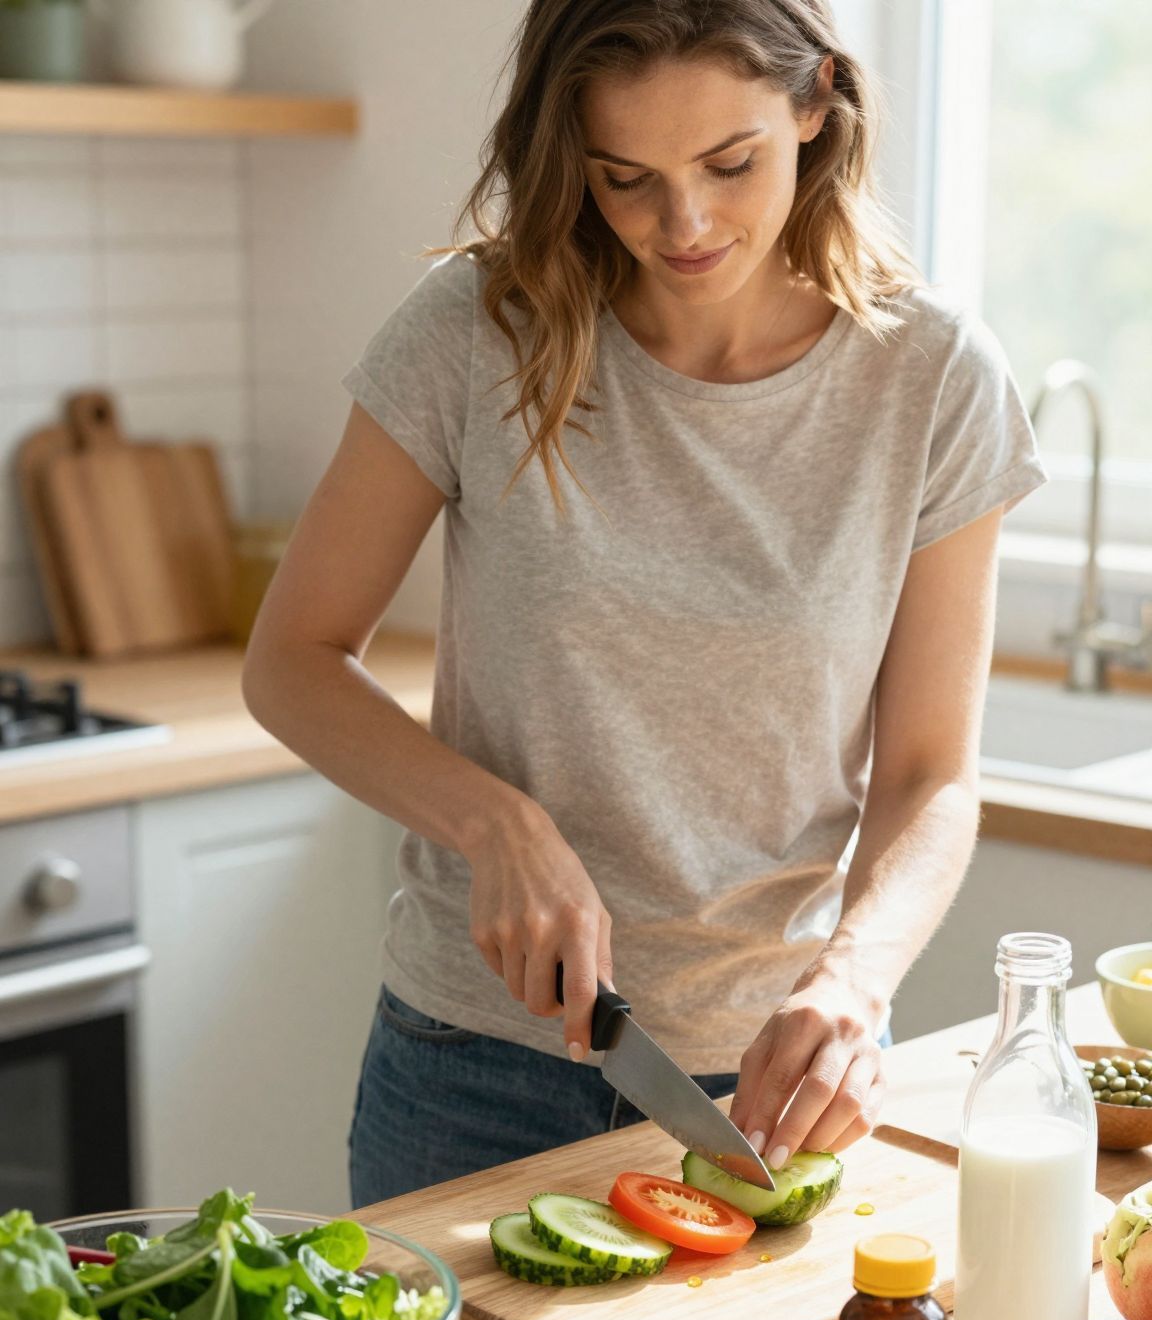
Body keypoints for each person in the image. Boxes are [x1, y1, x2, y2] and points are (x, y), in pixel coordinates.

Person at [242, 0, 1045, 1205]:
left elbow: (932, 771)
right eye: (625, 178)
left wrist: (852, 982)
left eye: (732, 164)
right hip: (472, 1069)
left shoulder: (931, 380)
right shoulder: (479, 333)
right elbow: (291, 659)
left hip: (773, 1081)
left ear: (817, 103)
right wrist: (493, 822)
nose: (684, 223)